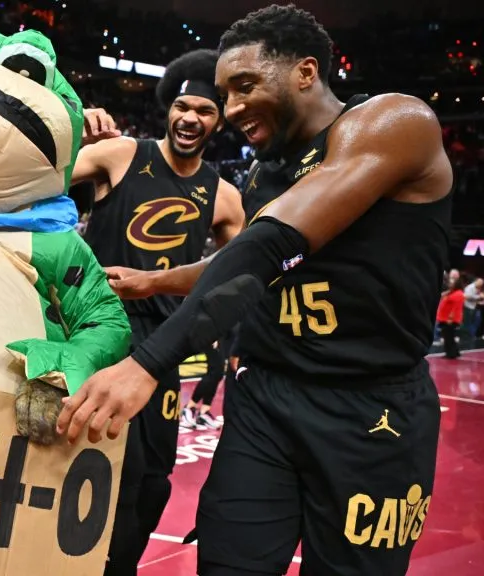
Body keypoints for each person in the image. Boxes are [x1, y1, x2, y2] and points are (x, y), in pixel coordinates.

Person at [58, 5, 453, 575]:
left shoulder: (392, 123)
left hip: (371, 408)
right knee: (226, 565)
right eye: (226, 94)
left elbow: (271, 244)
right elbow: (245, 265)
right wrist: (155, 280)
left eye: (244, 86)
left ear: (305, 72)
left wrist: (147, 364)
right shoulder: (265, 171)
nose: (233, 108)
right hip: (266, 399)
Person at [74, 49, 244, 574]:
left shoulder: (226, 198)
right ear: (168, 107)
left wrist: (234, 352)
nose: (191, 118)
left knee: (150, 483)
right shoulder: (120, 154)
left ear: (218, 120)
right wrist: (72, 130)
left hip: (162, 346)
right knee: (79, 462)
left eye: (205, 111)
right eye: (183, 106)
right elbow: (32, 175)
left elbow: (238, 279)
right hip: (95, 329)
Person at [437, 276, 465, 359]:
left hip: (449, 319)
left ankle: (450, 354)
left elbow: (456, 307)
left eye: (452, 283)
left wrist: (450, 318)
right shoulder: (452, 292)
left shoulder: (459, 294)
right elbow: (441, 296)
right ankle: (455, 352)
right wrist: (448, 292)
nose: (450, 284)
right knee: (449, 336)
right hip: (445, 318)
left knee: (448, 337)